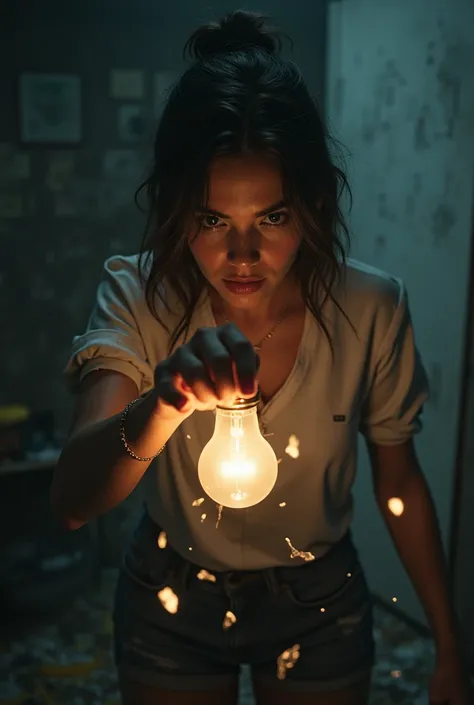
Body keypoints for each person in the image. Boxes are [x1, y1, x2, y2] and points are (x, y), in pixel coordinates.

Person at [51, 10, 472, 705]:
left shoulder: (371, 306)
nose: (242, 255)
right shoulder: (139, 291)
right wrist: (163, 403)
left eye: (270, 218)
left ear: (310, 204)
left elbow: (401, 484)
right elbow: (72, 499)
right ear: (177, 208)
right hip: (169, 596)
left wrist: (450, 645)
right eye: (213, 220)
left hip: (322, 601)